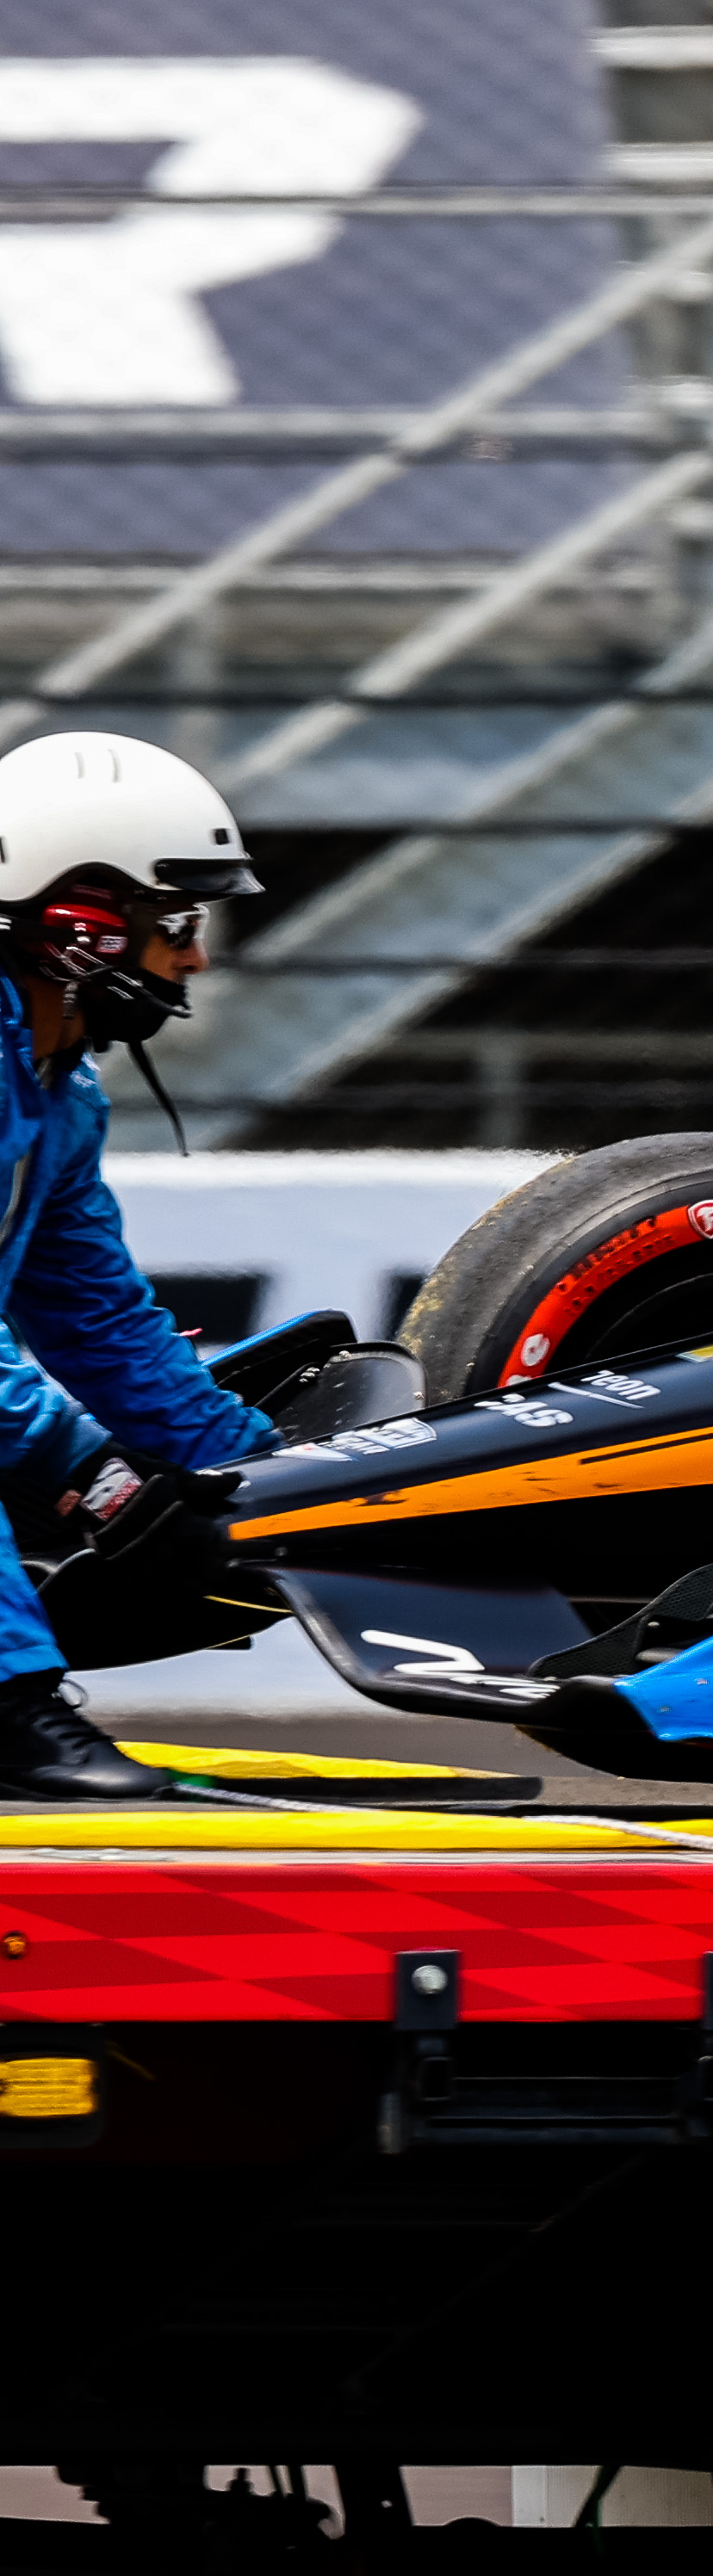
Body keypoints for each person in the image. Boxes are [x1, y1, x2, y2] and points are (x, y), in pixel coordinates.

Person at [0, 736, 280, 1801]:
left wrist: (263, 1480)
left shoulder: (61, 1096)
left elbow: (97, 1321)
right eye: (179, 928)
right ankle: (6, 1713)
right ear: (80, 924)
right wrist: (92, 1471)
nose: (195, 960)